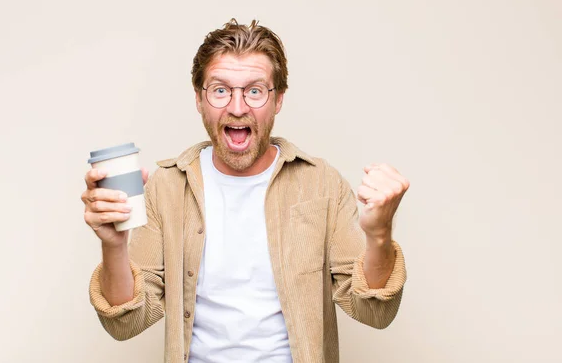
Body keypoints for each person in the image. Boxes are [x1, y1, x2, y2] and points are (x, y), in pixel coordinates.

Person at [82, 19, 409, 363]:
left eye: (254, 91)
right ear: (198, 99)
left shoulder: (321, 184)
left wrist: (380, 236)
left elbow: (375, 313)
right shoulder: (167, 187)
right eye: (220, 90)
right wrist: (113, 245)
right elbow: (125, 323)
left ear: (278, 99)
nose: (237, 108)